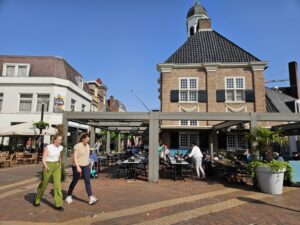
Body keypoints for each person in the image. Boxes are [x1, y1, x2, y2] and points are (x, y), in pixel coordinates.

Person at [65, 133, 98, 205]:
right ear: (83, 139)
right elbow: (74, 157)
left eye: (88, 138)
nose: (88, 139)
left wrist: (89, 163)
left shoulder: (88, 146)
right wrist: (77, 166)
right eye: (87, 138)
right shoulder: (77, 146)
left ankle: (91, 197)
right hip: (77, 166)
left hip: (85, 166)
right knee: (75, 181)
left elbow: (87, 156)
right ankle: (68, 195)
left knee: (87, 181)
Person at [34, 135, 64, 211]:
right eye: (59, 140)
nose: (60, 141)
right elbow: (43, 159)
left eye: (61, 140)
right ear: (54, 140)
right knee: (44, 184)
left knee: (57, 185)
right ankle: (37, 200)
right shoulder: (49, 147)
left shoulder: (60, 147)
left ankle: (58, 204)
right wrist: (46, 166)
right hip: (48, 165)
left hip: (56, 166)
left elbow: (59, 157)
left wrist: (60, 164)